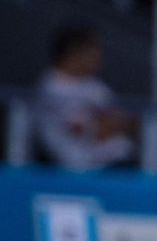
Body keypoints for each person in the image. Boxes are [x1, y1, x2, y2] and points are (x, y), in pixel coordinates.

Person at [34, 23, 135, 170]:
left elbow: (128, 122)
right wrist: (102, 123)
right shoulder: (52, 86)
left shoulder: (94, 85)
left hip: (114, 165)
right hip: (69, 168)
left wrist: (108, 123)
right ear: (74, 51)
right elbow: (85, 130)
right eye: (93, 50)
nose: (99, 56)